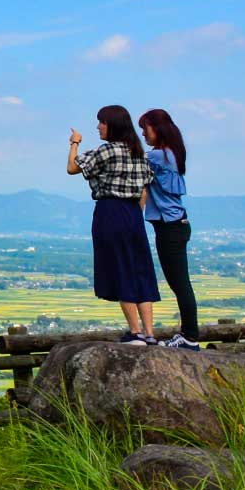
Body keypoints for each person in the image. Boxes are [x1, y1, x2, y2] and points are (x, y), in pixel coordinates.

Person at [67, 104, 160, 343]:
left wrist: (75, 142)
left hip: (110, 211)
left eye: (102, 122)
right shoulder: (139, 153)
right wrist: (134, 214)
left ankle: (135, 332)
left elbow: (72, 168)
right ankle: (150, 333)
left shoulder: (107, 151)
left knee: (120, 269)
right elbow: (144, 191)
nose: (98, 127)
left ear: (113, 125)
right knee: (140, 269)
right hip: (133, 215)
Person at [139, 107, 199, 349]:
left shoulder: (157, 156)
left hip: (170, 227)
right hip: (176, 225)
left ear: (157, 128)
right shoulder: (172, 153)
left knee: (180, 284)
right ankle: (188, 335)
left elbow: (131, 161)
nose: (143, 133)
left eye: (145, 128)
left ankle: (190, 337)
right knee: (179, 283)